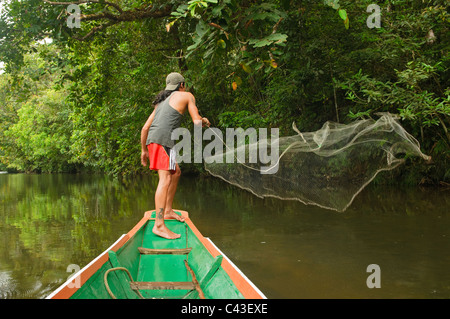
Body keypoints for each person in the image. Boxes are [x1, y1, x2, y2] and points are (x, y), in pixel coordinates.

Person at [140, 72, 210, 239]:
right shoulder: (187, 96)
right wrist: (204, 120)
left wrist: (144, 150)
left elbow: (144, 128)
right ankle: (159, 225)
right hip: (161, 141)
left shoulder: (160, 103)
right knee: (164, 179)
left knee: (176, 172)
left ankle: (168, 210)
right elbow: (196, 122)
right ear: (182, 85)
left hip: (157, 141)